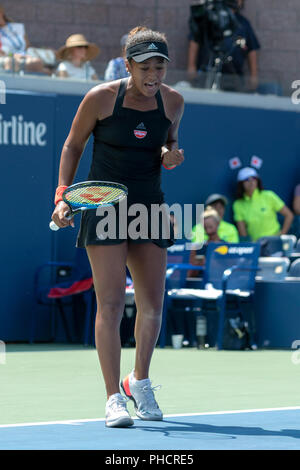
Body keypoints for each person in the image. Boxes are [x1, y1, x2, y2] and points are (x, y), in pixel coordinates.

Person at [51, 26, 184, 428]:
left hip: (150, 207)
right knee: (109, 304)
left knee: (153, 306)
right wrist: (62, 196)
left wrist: (170, 154)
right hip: (105, 206)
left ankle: (138, 381)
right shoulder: (100, 98)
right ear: (128, 65)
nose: (154, 74)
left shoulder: (174, 101)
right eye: (146, 66)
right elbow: (73, 145)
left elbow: (168, 140)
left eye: (160, 66)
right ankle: (113, 397)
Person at [187, 0, 260, 90]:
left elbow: (252, 49)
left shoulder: (243, 23)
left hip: (234, 77)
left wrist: (254, 76)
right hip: (207, 71)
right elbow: (195, 40)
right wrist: (191, 66)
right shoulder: (211, 17)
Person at [233, 167, 294, 241]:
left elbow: (289, 215)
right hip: (256, 244)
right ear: (241, 184)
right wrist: (250, 245)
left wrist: (281, 235)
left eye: (254, 178)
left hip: (275, 241)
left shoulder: (269, 195)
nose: (251, 182)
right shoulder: (237, 204)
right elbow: (243, 233)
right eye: (247, 180)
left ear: (257, 180)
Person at [0, 4, 51, 74]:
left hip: (26, 56)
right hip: (10, 59)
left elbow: (27, 46)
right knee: (37, 64)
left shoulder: (17, 27)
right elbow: (2, 53)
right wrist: (15, 55)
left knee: (46, 65)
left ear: (1, 11)